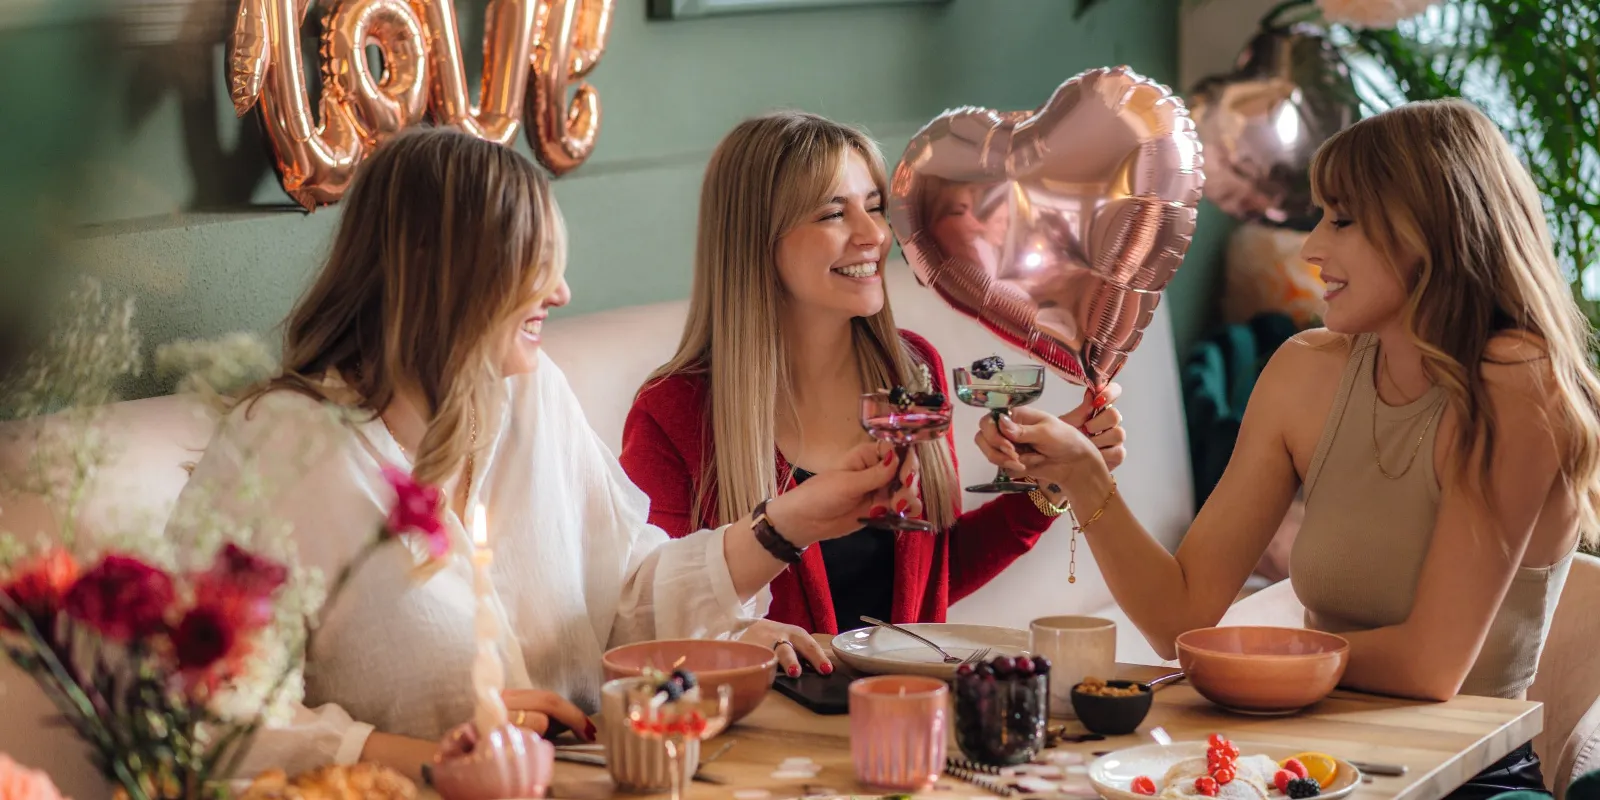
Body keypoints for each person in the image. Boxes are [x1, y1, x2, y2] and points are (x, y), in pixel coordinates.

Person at [167, 127, 912, 782]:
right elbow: (208, 721)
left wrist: (789, 525)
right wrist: (432, 758)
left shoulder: (532, 395)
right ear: (440, 270)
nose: (560, 290)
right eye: (534, 264)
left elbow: (625, 602)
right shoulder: (285, 449)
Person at [979, 99, 1600, 797]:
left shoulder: (1519, 385)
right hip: (1305, 763)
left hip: (1464, 779)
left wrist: (1244, 656)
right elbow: (1181, 615)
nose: (1312, 248)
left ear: (1427, 230)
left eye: (1341, 219)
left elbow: (1432, 665)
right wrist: (1084, 477)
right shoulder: (1306, 372)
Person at [619, 111, 1127, 663]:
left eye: (876, 207)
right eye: (834, 213)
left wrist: (1048, 487)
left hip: (905, 713)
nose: (874, 236)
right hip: (765, 732)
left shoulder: (913, 372)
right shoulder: (672, 413)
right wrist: (736, 637)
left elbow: (933, 574)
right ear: (756, 241)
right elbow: (650, 621)